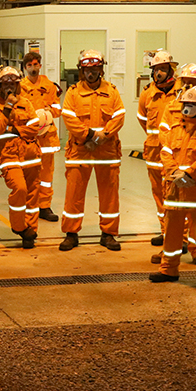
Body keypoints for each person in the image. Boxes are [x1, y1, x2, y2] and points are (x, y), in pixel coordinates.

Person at [148, 87, 196, 289]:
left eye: (192, 105)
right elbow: (165, 153)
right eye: (185, 104)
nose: (187, 108)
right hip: (175, 191)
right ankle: (168, 270)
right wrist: (174, 174)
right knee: (171, 234)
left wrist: (189, 174)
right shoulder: (174, 130)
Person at [59, 50, 126, 251]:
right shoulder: (73, 93)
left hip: (106, 152)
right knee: (74, 194)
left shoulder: (112, 91)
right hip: (80, 150)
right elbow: (68, 117)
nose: (91, 73)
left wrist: (102, 137)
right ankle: (71, 234)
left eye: (95, 69)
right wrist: (89, 136)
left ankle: (109, 234)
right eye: (87, 70)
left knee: (110, 195)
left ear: (101, 69)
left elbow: (119, 115)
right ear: (82, 70)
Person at [0, 66, 42, 249]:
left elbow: (35, 128)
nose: (9, 86)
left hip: (31, 156)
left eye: (13, 82)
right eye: (6, 83)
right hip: (8, 156)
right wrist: (7, 108)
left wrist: (13, 129)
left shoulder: (26, 103)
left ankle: (31, 232)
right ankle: (20, 227)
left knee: (33, 196)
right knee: (19, 189)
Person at [136, 50, 178, 250]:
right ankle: (166, 232)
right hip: (154, 153)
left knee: (177, 195)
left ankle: (182, 237)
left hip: (177, 153)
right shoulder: (147, 93)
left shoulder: (182, 92)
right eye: (156, 69)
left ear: (171, 69)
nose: (158, 73)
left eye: (162, 69)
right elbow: (143, 120)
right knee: (158, 194)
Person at [19, 51, 61, 222]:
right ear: (24, 68)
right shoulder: (20, 87)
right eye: (29, 65)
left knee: (46, 176)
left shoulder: (49, 86)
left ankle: (44, 206)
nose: (33, 68)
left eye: (36, 64)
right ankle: (29, 205)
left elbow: (58, 109)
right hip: (28, 138)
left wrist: (48, 112)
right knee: (28, 173)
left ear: (40, 66)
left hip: (47, 138)